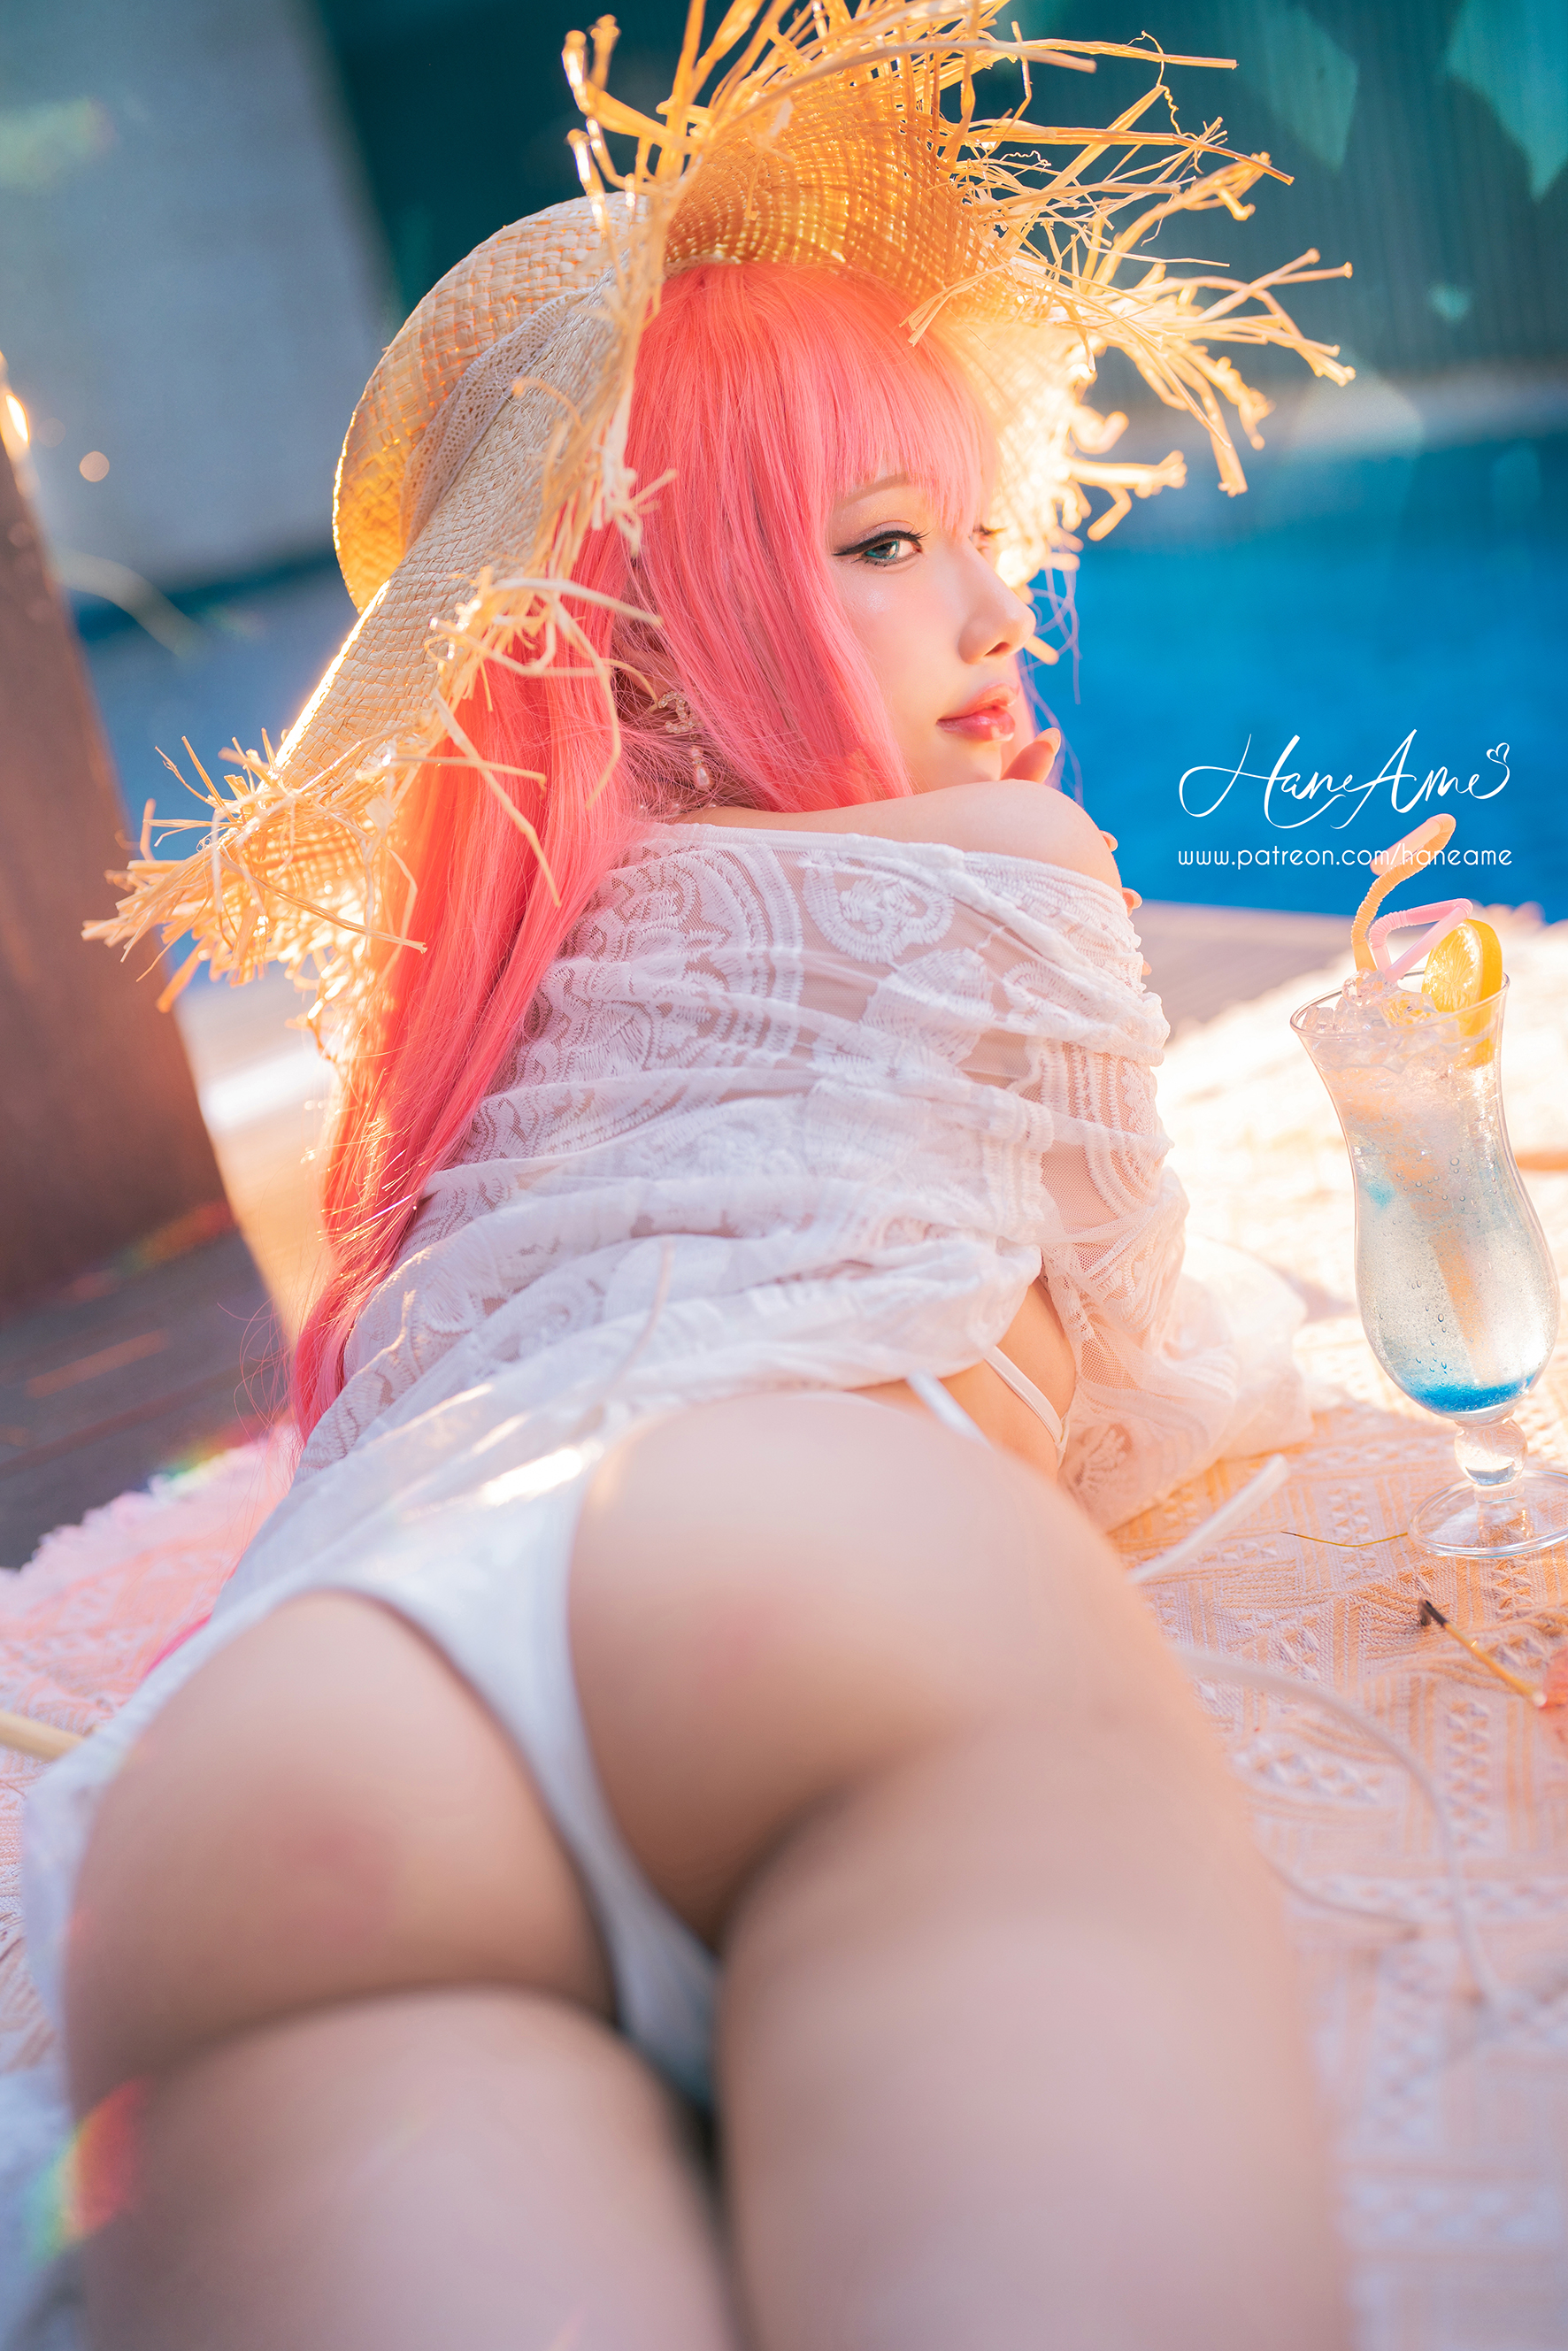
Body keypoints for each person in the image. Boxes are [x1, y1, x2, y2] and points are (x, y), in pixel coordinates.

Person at [11, 13, 1357, 2347]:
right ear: (645, 654)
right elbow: (1138, 1343)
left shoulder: (489, 1022)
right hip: (793, 1531)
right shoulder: (1001, 859)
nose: (998, 610)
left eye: (982, 537)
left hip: (315, 1710)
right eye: (885, 544)